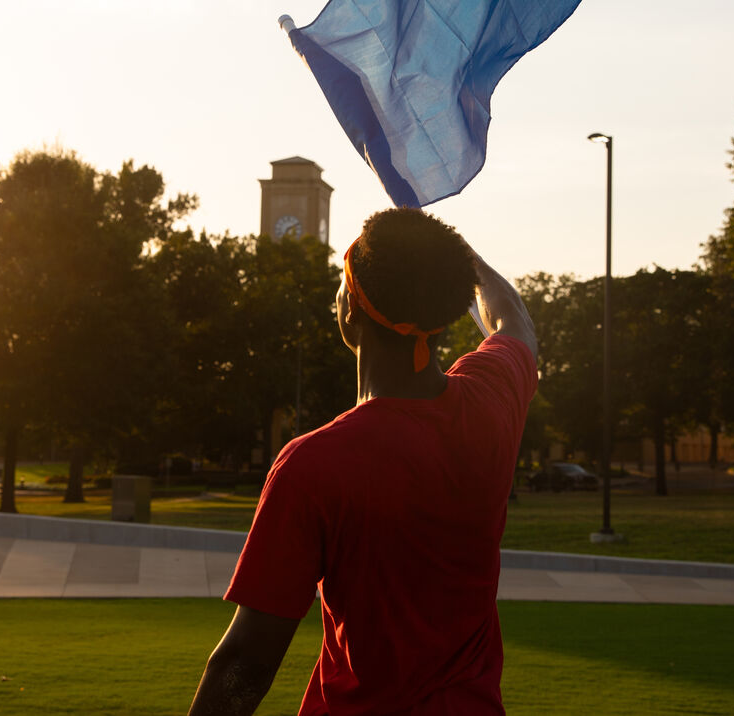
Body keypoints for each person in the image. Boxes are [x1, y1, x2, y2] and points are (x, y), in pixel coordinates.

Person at [188, 209, 538, 715]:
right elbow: (515, 320)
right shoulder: (493, 402)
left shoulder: (314, 466)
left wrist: (453, 257)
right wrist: (454, 257)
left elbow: (247, 661)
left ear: (350, 308)